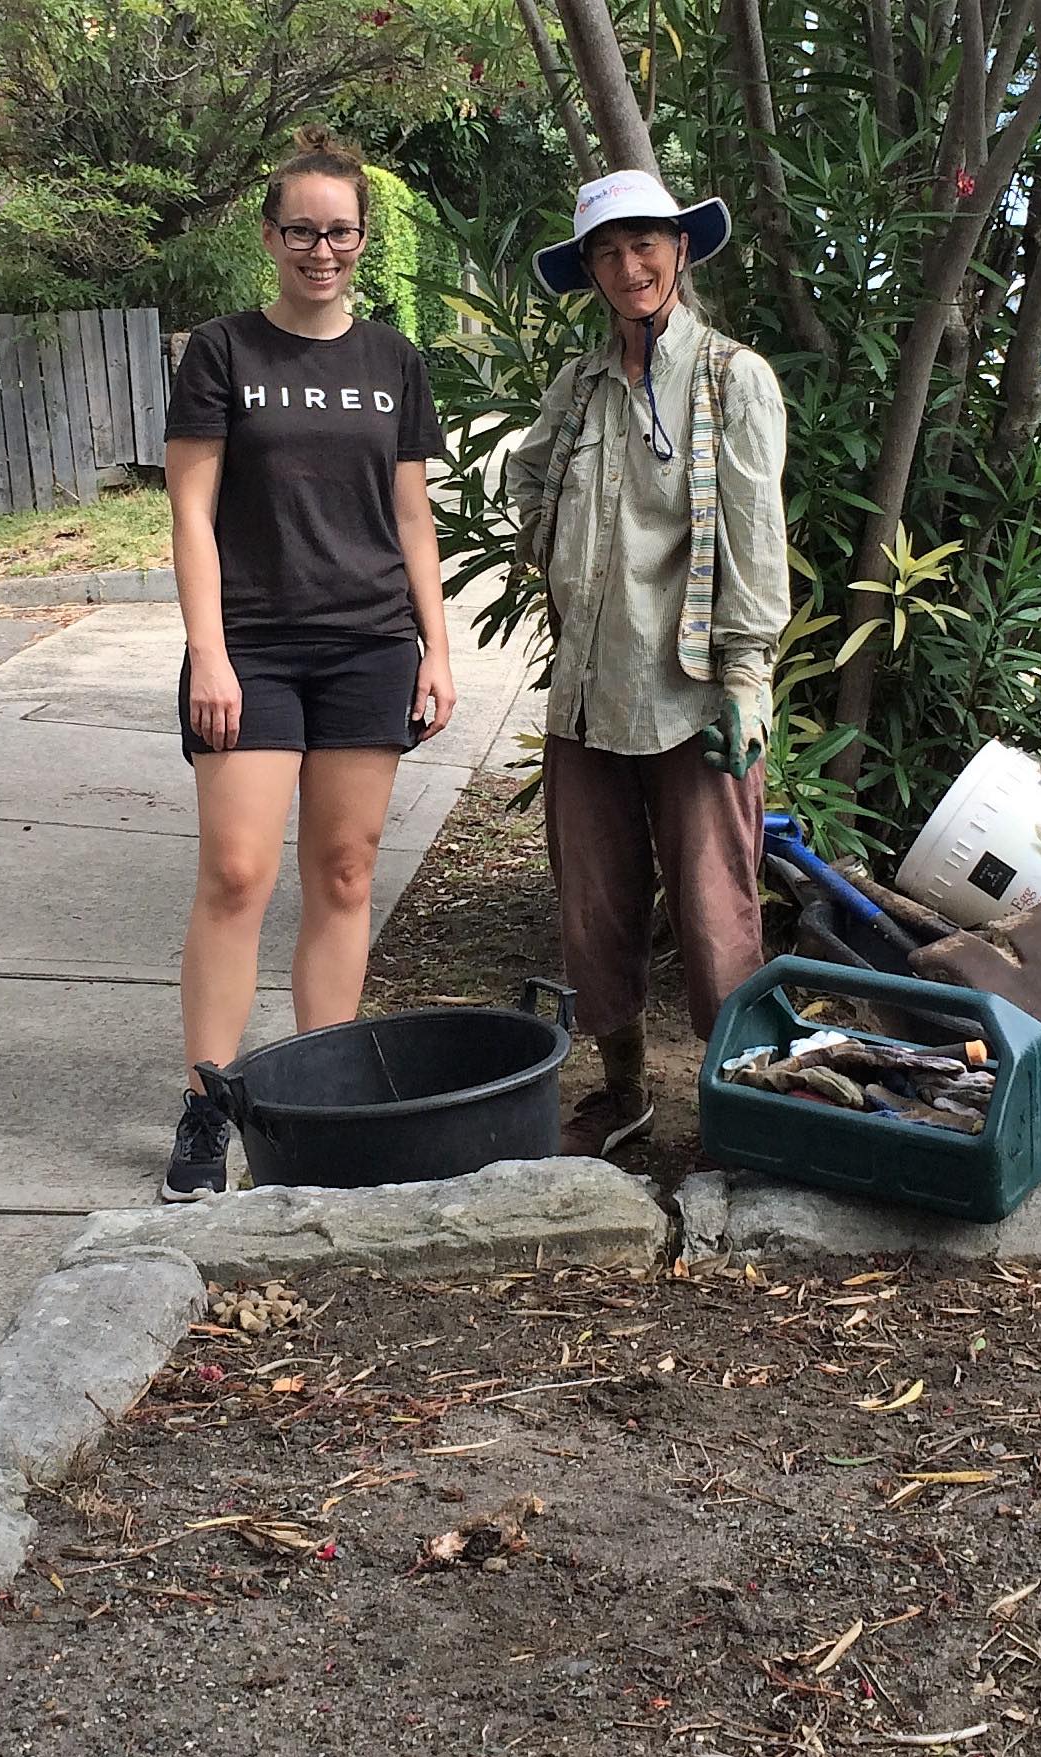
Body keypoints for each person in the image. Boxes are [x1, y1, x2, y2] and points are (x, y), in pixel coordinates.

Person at [156, 127, 455, 1202]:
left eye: (338, 231)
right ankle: (208, 1103)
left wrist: (436, 644)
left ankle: (321, 1100)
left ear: (361, 238)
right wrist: (210, 657)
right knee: (235, 873)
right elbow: (190, 513)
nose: (318, 249)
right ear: (269, 234)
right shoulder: (224, 352)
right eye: (300, 230)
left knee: (342, 873)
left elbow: (411, 516)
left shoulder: (393, 361)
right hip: (254, 650)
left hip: (368, 645)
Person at [506, 169, 790, 1158]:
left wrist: (747, 679)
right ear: (588, 269)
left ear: (678, 251)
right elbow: (528, 472)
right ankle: (622, 1091)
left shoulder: (729, 377)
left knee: (716, 910)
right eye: (607, 251)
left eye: (645, 245)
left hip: (693, 692)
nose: (629, 267)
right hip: (586, 692)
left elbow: (755, 531)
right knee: (592, 904)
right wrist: (547, 533)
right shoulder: (580, 387)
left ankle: (741, 1106)